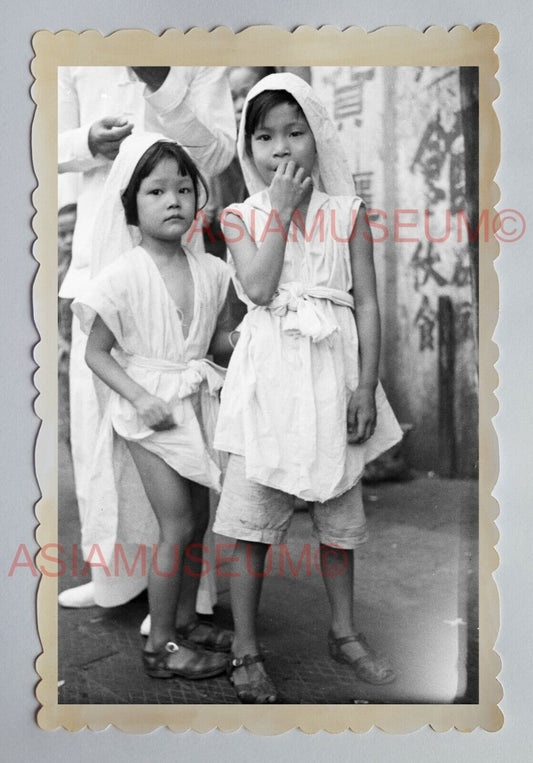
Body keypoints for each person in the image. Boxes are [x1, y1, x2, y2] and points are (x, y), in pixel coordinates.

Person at [212, 73, 404, 702]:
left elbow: (368, 304)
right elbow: (260, 290)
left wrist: (365, 387)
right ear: (249, 148)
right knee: (250, 521)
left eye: (296, 132)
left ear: (318, 137)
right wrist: (282, 211)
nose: (282, 149)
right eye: (265, 136)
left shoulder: (347, 214)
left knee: (339, 517)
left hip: (332, 380)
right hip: (267, 386)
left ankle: (343, 632)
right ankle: (245, 646)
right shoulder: (239, 216)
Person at [58, 67, 236, 610]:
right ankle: (116, 577)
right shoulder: (74, 53)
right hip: (103, 247)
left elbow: (216, 155)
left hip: (177, 260)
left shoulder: (197, 55)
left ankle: (186, 603)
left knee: (189, 478)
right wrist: (85, 141)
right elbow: (38, 142)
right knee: (97, 432)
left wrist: (161, 84)